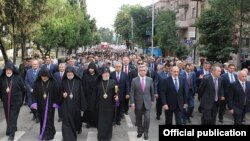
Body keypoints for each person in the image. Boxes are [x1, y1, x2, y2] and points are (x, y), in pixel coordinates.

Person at [90, 66, 119, 141]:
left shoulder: (113, 82)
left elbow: (116, 92)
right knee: (100, 122)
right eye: (105, 73)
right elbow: (94, 95)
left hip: (110, 106)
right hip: (100, 106)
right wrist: (92, 106)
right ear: (102, 74)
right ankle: (101, 136)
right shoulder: (98, 83)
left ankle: (108, 136)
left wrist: (116, 97)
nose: (106, 74)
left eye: (107, 73)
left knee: (109, 122)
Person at [31, 67, 59, 140]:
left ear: (48, 76)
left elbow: (56, 93)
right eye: (42, 76)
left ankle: (49, 135)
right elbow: (34, 94)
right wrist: (34, 103)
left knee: (49, 119)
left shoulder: (53, 82)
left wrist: (55, 102)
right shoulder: (37, 82)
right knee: (42, 119)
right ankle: (43, 133)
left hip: (50, 105)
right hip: (40, 104)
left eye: (45, 76)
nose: (44, 78)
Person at [0, 61, 25, 141]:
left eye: (10, 69)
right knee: (8, 117)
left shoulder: (18, 77)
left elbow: (23, 90)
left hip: (16, 102)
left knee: (12, 117)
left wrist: (22, 100)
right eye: (7, 69)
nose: (8, 71)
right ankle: (12, 128)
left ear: (13, 69)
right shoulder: (2, 78)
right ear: (5, 69)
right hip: (6, 101)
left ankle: (11, 135)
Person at [60, 66, 87, 141]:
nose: (69, 74)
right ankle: (67, 135)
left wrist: (83, 106)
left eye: (71, 73)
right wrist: (63, 94)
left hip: (76, 104)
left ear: (74, 73)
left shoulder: (78, 81)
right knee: (66, 120)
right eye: (68, 73)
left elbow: (81, 93)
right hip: (66, 104)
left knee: (76, 118)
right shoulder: (64, 81)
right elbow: (60, 91)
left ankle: (77, 128)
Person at [130, 65, 154, 140]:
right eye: (141, 70)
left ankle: (146, 132)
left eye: (144, 70)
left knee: (147, 119)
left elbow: (152, 91)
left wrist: (152, 100)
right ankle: (140, 132)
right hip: (138, 103)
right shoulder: (134, 80)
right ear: (139, 71)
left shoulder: (150, 79)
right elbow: (132, 92)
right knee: (138, 119)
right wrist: (132, 102)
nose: (142, 72)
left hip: (147, 102)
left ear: (146, 72)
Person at [82, 62, 99, 128]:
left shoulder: (97, 76)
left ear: (94, 69)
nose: (90, 70)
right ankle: (88, 122)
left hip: (95, 96)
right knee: (88, 109)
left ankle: (94, 122)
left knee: (94, 109)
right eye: (89, 68)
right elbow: (83, 85)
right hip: (87, 96)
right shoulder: (86, 76)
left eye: (92, 68)